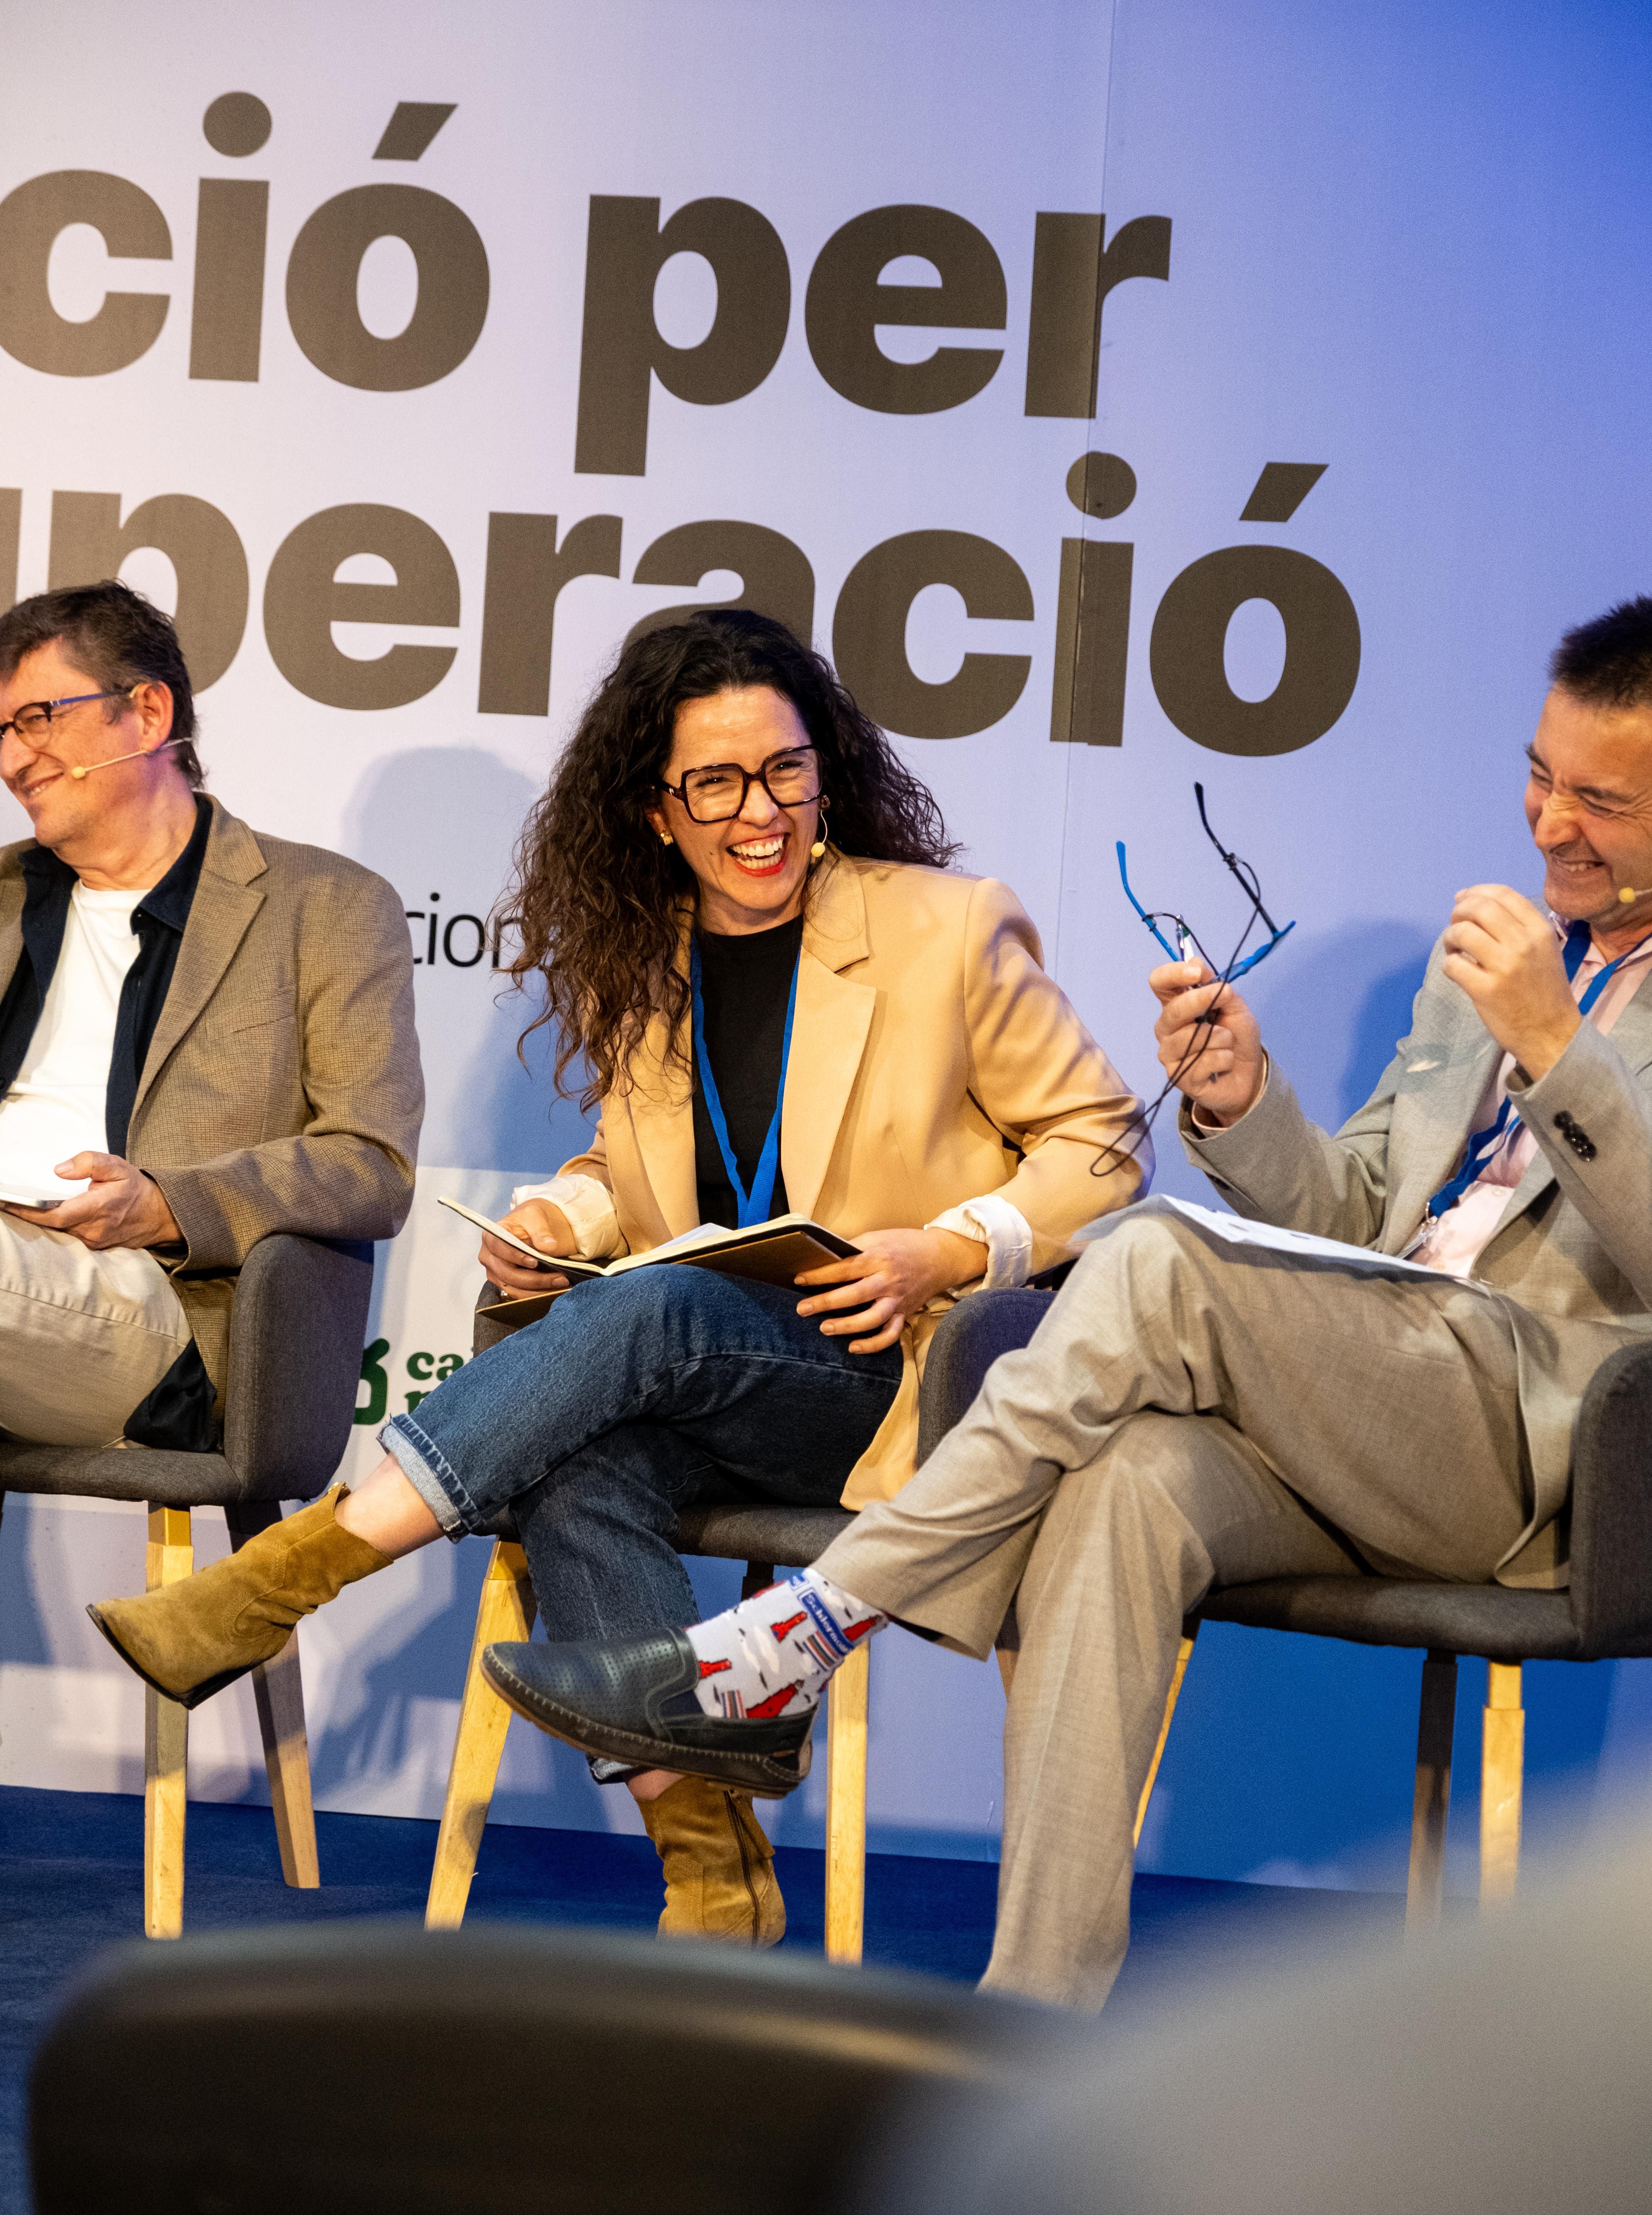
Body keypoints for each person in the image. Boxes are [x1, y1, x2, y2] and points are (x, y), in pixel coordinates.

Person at [449, 594, 1652, 2010]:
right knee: (1123, 1486)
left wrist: (1561, 1050)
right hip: (1373, 1394)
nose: (1549, 825)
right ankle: (1033, 2013)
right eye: (1538, 775)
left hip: (1534, 1446)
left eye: (1604, 802)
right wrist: (1243, 1102)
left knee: (1145, 1252)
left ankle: (816, 1625)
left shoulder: (1531, 994)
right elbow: (1357, 1219)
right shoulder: (1505, 963)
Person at [91, 607, 1150, 1947]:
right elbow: (639, 1172)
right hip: (723, 1371)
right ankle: (716, 1874)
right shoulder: (650, 963)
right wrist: (560, 1216)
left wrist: (947, 1247)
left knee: (648, 1311)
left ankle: (286, 1578)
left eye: (784, 770)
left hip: (896, 1376)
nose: (756, 811)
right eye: (714, 783)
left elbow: (1104, 1144)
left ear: (827, 773)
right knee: (578, 1466)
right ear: (657, 812)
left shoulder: (947, 928)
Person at [0, 579, 420, 1453]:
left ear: (147, 714)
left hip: (160, 1309)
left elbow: (370, 1163)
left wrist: (166, 1204)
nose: (13, 758)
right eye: (4, 731)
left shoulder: (325, 907)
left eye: (38, 718)